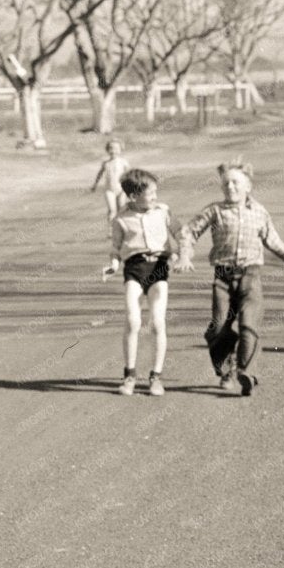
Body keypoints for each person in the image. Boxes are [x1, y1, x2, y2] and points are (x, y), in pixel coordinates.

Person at [175, 159, 284, 397]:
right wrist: (184, 255)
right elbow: (188, 232)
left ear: (248, 186)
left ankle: (246, 372)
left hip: (251, 276)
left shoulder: (259, 212)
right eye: (226, 184)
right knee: (218, 327)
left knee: (249, 325)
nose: (230, 188)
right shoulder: (215, 211)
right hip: (223, 277)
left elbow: (273, 241)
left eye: (236, 183)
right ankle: (226, 369)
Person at [101, 168, 173, 397]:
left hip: (158, 268)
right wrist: (113, 265)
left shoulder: (163, 212)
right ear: (134, 197)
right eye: (150, 194)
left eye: (155, 192)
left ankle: (156, 377)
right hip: (134, 269)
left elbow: (182, 233)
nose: (155, 197)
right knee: (133, 321)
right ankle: (129, 375)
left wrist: (182, 254)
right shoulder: (121, 219)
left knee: (157, 322)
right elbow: (115, 249)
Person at [90, 138, 130, 223]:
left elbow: (129, 175)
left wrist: (131, 187)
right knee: (112, 210)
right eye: (111, 148)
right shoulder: (106, 163)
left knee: (121, 208)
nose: (113, 151)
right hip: (109, 190)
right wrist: (95, 185)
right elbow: (99, 174)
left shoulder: (123, 162)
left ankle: (122, 228)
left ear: (120, 150)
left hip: (121, 190)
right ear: (107, 150)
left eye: (116, 148)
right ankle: (111, 230)